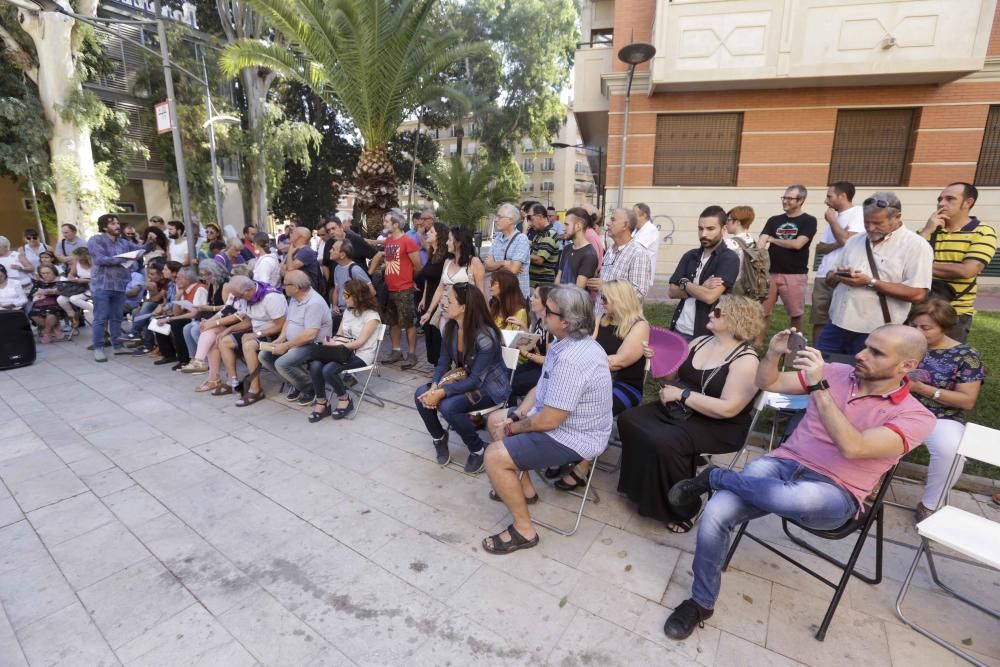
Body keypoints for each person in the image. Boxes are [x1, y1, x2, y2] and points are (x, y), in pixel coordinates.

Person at [660, 324, 935, 640]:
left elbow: (853, 447)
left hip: (835, 490)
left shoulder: (917, 417)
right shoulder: (836, 371)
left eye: (876, 352)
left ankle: (717, 477)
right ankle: (701, 602)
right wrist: (774, 354)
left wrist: (819, 386)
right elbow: (768, 382)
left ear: (907, 366)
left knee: (796, 498)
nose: (860, 354)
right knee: (714, 514)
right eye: (866, 345)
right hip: (783, 464)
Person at [480, 285, 613, 554]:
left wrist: (513, 427)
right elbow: (539, 389)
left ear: (566, 321)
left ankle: (523, 531)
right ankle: (525, 489)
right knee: (494, 419)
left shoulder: (573, 360)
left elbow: (550, 421)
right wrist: (516, 416)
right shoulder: (564, 344)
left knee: (494, 456)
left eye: (548, 311)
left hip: (575, 436)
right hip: (558, 423)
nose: (539, 312)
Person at [617, 294, 761, 532]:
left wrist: (683, 395)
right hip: (681, 410)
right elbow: (670, 379)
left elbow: (729, 408)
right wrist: (658, 361)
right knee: (629, 419)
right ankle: (643, 491)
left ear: (735, 321)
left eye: (717, 312)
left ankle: (684, 506)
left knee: (663, 441)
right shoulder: (699, 342)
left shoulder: (746, 360)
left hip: (718, 424)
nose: (710, 313)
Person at [820, 192, 932, 355]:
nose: (871, 228)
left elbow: (918, 294)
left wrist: (870, 282)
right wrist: (838, 275)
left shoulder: (916, 246)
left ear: (897, 217)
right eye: (867, 223)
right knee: (821, 372)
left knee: (864, 377)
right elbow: (830, 279)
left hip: (877, 332)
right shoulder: (854, 241)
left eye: (878, 223)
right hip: (836, 324)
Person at [414, 283, 510, 473]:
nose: (444, 303)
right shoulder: (450, 327)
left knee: (448, 406)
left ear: (464, 307)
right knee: (421, 394)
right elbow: (442, 361)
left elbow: (475, 380)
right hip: (467, 382)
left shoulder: (485, 337)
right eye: (444, 299)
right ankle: (439, 437)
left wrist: (442, 392)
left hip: (490, 388)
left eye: (449, 300)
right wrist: (434, 385)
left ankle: (478, 448)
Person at [907, 300, 985, 522]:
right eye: (914, 325)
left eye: (926, 328)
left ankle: (931, 504)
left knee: (950, 449)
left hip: (941, 416)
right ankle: (867, 483)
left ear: (945, 327)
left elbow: (967, 400)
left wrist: (922, 389)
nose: (917, 332)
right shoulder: (904, 343)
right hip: (898, 409)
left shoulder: (966, 355)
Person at [918, 182, 998, 343]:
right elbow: (902, 259)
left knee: (946, 362)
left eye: (950, 199)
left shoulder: (983, 232)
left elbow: (967, 271)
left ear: (968, 203)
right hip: (920, 309)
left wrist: (918, 267)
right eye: (940, 199)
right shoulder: (931, 230)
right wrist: (926, 230)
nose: (941, 203)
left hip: (954, 313)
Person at [308, 279, 382, 422]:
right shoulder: (348, 312)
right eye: (344, 295)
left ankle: (345, 399)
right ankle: (322, 402)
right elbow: (340, 334)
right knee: (315, 365)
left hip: (361, 354)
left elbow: (360, 342)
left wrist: (336, 346)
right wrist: (330, 341)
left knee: (328, 370)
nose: (343, 298)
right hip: (343, 351)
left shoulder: (372, 316)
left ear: (358, 296)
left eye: (347, 295)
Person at [259, 270, 333, 406]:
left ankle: (310, 388)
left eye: (285, 284)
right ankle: (296, 382)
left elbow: (310, 335)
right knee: (265, 356)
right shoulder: (295, 298)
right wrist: (281, 339)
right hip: (298, 342)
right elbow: (289, 321)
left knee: (282, 363)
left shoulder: (314, 302)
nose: (282, 286)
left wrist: (286, 346)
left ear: (296, 287)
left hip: (316, 345)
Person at [215, 275, 288, 406]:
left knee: (248, 344)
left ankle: (256, 389)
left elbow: (280, 326)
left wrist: (256, 334)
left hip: (276, 334)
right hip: (257, 330)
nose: (237, 299)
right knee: (224, 340)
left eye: (238, 296)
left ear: (248, 290)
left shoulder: (271, 298)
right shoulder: (245, 296)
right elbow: (249, 320)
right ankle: (233, 382)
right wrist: (229, 329)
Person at [668, 206, 739, 340]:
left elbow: (709, 297)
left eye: (710, 229)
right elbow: (672, 291)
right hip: (678, 328)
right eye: (700, 229)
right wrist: (700, 287)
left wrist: (684, 283)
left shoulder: (728, 258)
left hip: (707, 334)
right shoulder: (690, 256)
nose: (704, 234)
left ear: (723, 229)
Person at [87, 213, 151, 362]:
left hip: (120, 285)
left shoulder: (123, 242)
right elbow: (100, 259)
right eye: (112, 224)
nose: (117, 226)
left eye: (117, 223)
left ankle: (117, 346)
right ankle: (98, 348)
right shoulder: (96, 240)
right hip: (102, 285)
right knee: (100, 318)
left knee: (117, 318)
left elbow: (139, 250)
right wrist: (124, 258)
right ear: (104, 227)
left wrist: (149, 242)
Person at [759, 184, 817, 335]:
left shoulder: (809, 221)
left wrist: (772, 239)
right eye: (784, 197)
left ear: (801, 200)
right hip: (770, 273)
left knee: (795, 314)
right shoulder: (773, 220)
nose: (785, 201)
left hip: (794, 275)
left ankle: (793, 345)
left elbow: (798, 244)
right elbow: (761, 242)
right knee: (763, 312)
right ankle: (756, 345)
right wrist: (765, 242)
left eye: (790, 199)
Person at [811, 182, 865, 342]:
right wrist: (839, 241)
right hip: (823, 274)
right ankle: (817, 355)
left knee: (839, 319)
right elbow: (820, 248)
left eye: (829, 196)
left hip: (842, 274)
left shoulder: (857, 213)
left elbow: (847, 241)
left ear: (843, 196)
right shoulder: (836, 217)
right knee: (819, 319)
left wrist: (833, 222)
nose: (826, 201)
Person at [379, 209, 423, 369]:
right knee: (393, 323)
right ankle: (396, 351)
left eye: (386, 221)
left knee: (408, 323)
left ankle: (411, 354)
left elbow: (418, 266)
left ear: (396, 224)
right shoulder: (388, 241)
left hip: (404, 289)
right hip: (390, 289)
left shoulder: (408, 241)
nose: (383, 224)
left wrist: (409, 279)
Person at [588, 208, 652, 316]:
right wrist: (596, 282)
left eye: (613, 220)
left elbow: (639, 294)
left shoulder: (638, 253)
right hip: (601, 319)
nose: (608, 223)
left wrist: (606, 287)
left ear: (625, 225)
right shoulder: (610, 250)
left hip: (621, 324)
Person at [419, 227, 486, 331]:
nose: (446, 243)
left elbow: (481, 292)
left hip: (465, 314)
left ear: (458, 243)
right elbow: (440, 289)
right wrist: (429, 312)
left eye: (449, 240)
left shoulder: (474, 262)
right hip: (445, 312)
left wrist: (486, 318)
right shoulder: (447, 262)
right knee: (444, 343)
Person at [151, 266, 207, 370]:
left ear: (188, 279)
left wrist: (169, 319)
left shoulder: (199, 288)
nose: (177, 280)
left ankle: (184, 359)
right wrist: (177, 297)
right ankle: (168, 355)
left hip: (198, 317)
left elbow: (195, 313)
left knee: (176, 324)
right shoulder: (184, 290)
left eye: (180, 278)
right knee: (159, 321)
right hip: (188, 316)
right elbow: (176, 313)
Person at [507, 284, 555, 401]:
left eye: (536, 297)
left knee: (512, 383)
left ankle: (511, 413)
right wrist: (524, 328)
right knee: (507, 374)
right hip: (536, 364)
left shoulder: (552, 327)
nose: (531, 299)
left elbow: (548, 361)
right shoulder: (540, 321)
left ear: (546, 302)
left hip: (547, 371)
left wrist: (526, 354)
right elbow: (536, 348)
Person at [180, 259, 229, 368]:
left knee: (195, 329)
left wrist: (208, 308)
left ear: (215, 272)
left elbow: (227, 308)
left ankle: (205, 360)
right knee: (187, 328)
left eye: (207, 275)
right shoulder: (212, 285)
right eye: (203, 275)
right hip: (213, 316)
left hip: (224, 319)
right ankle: (194, 358)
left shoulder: (225, 286)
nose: (206, 278)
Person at [416, 222, 449, 368]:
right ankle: (436, 367)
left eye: (431, 232)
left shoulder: (446, 256)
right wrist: (423, 299)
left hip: (441, 299)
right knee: (429, 333)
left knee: (437, 334)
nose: (427, 234)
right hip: (429, 298)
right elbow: (428, 280)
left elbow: (443, 283)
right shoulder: (432, 253)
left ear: (439, 236)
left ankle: (442, 367)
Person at [484, 203, 531, 299]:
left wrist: (495, 265)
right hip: (499, 297)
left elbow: (513, 270)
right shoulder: (497, 239)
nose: (496, 220)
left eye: (499, 217)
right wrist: (504, 263)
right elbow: (487, 266)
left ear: (511, 220)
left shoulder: (521, 239)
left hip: (516, 298)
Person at [555, 207, 599, 289]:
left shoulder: (589, 254)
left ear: (578, 226)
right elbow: (558, 277)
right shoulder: (567, 248)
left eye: (567, 224)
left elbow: (578, 291)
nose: (563, 228)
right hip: (559, 299)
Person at [56, 247, 93, 336]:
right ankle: (73, 317)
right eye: (77, 259)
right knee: (60, 299)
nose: (78, 260)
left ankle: (95, 310)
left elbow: (99, 278)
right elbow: (71, 273)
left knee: (73, 299)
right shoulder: (76, 261)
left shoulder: (94, 263)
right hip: (79, 287)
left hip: (91, 287)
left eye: (81, 259)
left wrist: (84, 280)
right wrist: (71, 277)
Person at [283, 227, 324, 297]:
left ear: (300, 237)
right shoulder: (295, 250)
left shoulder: (306, 251)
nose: (290, 234)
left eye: (293, 233)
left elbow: (289, 268)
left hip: (307, 294)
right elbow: (281, 269)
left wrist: (289, 253)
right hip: (296, 293)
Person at [526, 203, 560, 287]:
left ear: (540, 217)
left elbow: (539, 260)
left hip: (541, 285)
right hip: (534, 283)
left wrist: (520, 255)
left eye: (531, 219)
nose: (529, 223)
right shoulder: (539, 234)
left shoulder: (549, 234)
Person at [29, 265, 62, 343]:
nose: (45, 275)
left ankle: (46, 333)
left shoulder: (60, 281)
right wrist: (36, 294)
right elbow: (31, 295)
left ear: (54, 272)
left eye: (48, 273)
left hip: (57, 303)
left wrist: (53, 292)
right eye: (43, 273)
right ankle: (54, 329)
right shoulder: (38, 282)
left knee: (51, 314)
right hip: (41, 304)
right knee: (33, 314)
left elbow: (66, 292)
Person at [632, 202, 659, 286]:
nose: (631, 217)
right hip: (633, 274)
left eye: (634, 214)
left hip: (641, 277)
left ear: (644, 215)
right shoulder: (636, 230)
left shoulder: (651, 229)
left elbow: (635, 248)